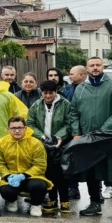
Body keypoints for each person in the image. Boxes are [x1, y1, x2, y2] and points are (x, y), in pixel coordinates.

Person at [71, 57, 112, 221]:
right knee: (91, 172)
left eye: (98, 65)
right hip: (88, 140)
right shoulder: (80, 89)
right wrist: (76, 132)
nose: (95, 68)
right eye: (92, 65)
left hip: (109, 139)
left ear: (103, 67)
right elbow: (74, 112)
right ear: (87, 68)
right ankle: (95, 203)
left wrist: (103, 131)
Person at [27, 80, 72, 214]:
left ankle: (65, 200)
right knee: (48, 172)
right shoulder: (36, 105)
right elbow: (30, 123)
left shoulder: (65, 104)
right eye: (45, 93)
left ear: (56, 92)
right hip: (43, 143)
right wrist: (41, 136)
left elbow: (69, 123)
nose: (47, 96)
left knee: (62, 173)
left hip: (61, 143)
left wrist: (60, 136)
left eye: (50, 93)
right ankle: (52, 199)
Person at [0, 117, 52, 217]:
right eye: (13, 128)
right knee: (5, 189)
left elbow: (40, 165)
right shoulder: (0, 143)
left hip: (32, 176)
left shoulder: (36, 143)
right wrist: (7, 176)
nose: (17, 130)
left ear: (25, 128)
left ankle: (36, 204)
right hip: (12, 176)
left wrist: (24, 175)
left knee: (38, 186)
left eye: (20, 128)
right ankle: (11, 201)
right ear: (8, 130)